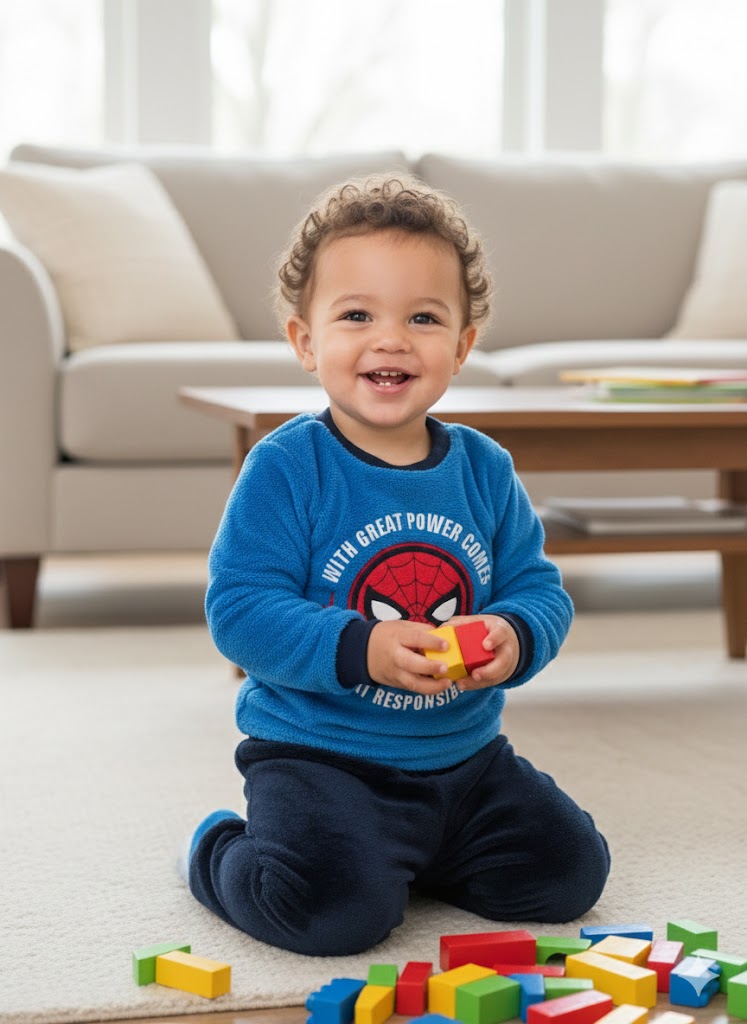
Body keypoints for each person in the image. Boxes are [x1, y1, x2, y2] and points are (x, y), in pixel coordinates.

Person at [182, 174, 610, 956]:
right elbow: (239, 609)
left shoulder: (483, 468)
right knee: (329, 915)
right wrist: (362, 647)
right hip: (320, 758)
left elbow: (537, 589)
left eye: (423, 317)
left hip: (465, 760)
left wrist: (515, 635)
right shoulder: (288, 466)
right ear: (304, 342)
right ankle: (217, 849)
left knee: (568, 875)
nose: (390, 340)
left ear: (462, 345)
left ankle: (417, 856)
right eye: (356, 315)